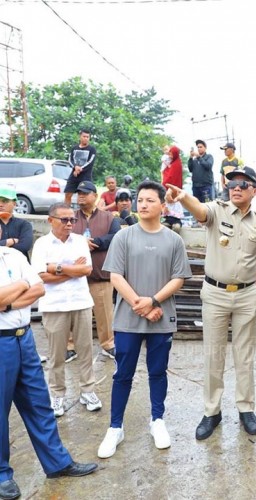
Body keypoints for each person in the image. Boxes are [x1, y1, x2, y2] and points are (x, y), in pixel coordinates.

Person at [167, 166, 256, 440]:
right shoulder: (217, 210)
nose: (236, 187)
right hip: (215, 294)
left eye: (243, 183)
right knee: (213, 354)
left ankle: (246, 409)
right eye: (232, 183)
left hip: (248, 296)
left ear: (254, 190)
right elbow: (199, 211)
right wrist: (183, 197)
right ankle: (212, 411)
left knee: (244, 355)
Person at [97, 180, 191, 459]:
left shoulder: (174, 240)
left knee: (157, 371)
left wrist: (153, 301)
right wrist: (141, 304)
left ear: (163, 205)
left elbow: (179, 278)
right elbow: (115, 276)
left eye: (150, 200)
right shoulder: (124, 237)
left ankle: (157, 420)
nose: (144, 204)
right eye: (141, 200)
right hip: (127, 319)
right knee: (122, 373)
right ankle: (115, 427)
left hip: (161, 318)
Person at [0, 246, 98, 500]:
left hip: (24, 339)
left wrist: (9, 300)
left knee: (39, 404)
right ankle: (2, 476)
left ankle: (57, 463)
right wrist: (22, 284)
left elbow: (39, 288)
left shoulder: (15, 255)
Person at [30, 202, 102, 418]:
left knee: (86, 351)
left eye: (73, 219)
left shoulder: (80, 241)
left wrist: (56, 267)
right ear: (51, 220)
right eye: (65, 219)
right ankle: (57, 395)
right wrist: (72, 270)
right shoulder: (42, 244)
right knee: (56, 355)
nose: (70, 223)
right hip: (54, 306)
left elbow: (87, 269)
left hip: (81, 303)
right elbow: (41, 276)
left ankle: (87, 391)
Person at [73, 181, 121, 359]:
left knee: (105, 314)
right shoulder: (70, 217)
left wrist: (97, 242)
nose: (81, 196)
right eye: (79, 193)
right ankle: (71, 346)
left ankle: (108, 344)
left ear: (95, 195)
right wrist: (80, 243)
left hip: (101, 275)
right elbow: (62, 236)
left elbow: (116, 237)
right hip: (73, 276)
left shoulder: (108, 218)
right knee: (72, 313)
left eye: (85, 193)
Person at [0, 185, 33, 261]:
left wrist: (2, 244)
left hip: (19, 267)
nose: (0, 204)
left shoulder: (24, 225)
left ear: (14, 204)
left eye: (5, 201)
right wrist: (11, 241)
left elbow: (24, 246)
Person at [64, 128, 97, 205]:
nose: (85, 138)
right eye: (84, 136)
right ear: (80, 137)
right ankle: (66, 213)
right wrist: (75, 167)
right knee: (68, 194)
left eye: (87, 137)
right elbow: (70, 160)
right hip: (74, 175)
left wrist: (80, 169)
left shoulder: (92, 149)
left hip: (85, 176)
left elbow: (90, 162)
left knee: (85, 196)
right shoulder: (74, 148)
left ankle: (84, 214)